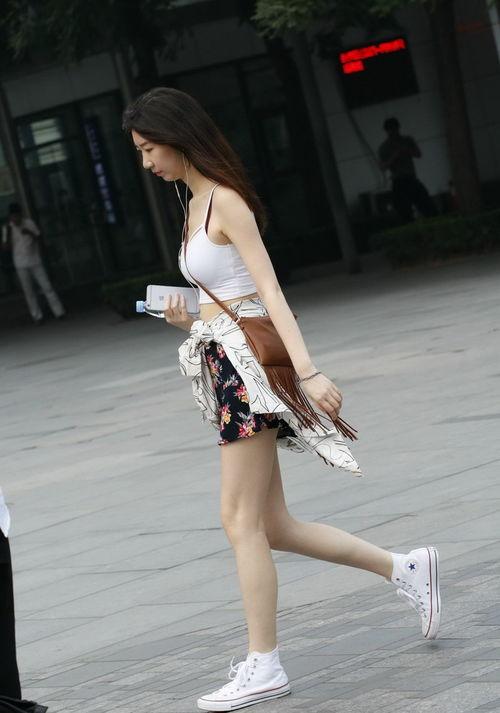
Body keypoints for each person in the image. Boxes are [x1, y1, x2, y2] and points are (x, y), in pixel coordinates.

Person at [122, 88, 441, 712]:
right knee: (272, 525)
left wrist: (309, 371)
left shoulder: (225, 201)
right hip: (225, 363)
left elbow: (269, 292)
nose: (146, 162)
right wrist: (187, 319)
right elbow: (229, 300)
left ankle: (264, 664)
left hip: (248, 376)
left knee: (238, 520)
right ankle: (405, 568)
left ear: (178, 137)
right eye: (140, 151)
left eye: (150, 148)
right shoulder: (190, 203)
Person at [1, 203, 65, 324]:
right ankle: (37, 316)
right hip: (20, 263)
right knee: (29, 291)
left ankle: (59, 312)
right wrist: (8, 235)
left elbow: (39, 238)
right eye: (13, 217)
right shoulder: (7, 228)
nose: (15, 219)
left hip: (35, 260)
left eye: (17, 216)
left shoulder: (29, 223)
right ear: (10, 217)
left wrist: (29, 233)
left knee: (47, 286)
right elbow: (5, 248)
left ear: (21, 215)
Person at [378, 117, 437, 223]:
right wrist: (395, 156)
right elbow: (383, 167)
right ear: (387, 131)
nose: (394, 132)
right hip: (398, 180)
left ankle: (432, 221)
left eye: (395, 129)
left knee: (427, 206)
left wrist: (407, 150)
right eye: (391, 130)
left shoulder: (407, 140)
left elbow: (418, 154)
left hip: (411, 178)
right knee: (404, 212)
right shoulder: (384, 147)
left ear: (398, 128)